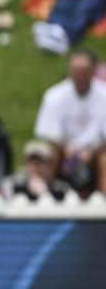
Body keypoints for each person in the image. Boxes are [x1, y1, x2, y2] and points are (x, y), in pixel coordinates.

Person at [33, 48, 106, 196]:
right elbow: (49, 135)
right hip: (64, 151)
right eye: (75, 71)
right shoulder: (54, 95)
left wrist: (92, 152)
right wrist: (67, 150)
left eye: (83, 71)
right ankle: (45, 198)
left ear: (93, 72)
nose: (79, 76)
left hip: (97, 152)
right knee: (46, 154)